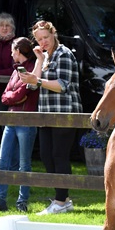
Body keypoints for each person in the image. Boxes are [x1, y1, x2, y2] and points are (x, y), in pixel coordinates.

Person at [19, 20, 82, 215]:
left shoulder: (64, 54)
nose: (43, 42)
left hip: (65, 113)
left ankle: (61, 201)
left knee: (59, 156)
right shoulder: (45, 56)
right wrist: (38, 61)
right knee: (46, 155)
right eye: (39, 39)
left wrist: (36, 80)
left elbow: (62, 85)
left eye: (45, 37)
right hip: (46, 114)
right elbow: (32, 86)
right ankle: (63, 198)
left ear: (53, 34)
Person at [0, 37, 39, 215]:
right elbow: (6, 95)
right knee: (3, 160)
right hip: (11, 119)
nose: (10, 54)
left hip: (25, 119)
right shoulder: (16, 71)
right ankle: (0, 199)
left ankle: (22, 201)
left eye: (12, 50)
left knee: (24, 163)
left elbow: (24, 92)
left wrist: (13, 96)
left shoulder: (31, 69)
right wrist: (14, 96)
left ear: (19, 51)